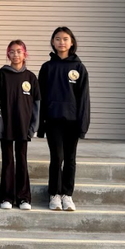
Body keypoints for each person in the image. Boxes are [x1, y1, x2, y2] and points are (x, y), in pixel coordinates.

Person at [37, 27, 90, 211]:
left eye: (65, 39)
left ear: (72, 42)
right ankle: (54, 194)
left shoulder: (79, 68)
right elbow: (40, 98)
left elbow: (84, 99)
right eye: (57, 39)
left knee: (70, 158)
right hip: (53, 121)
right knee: (56, 157)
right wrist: (40, 125)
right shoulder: (47, 67)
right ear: (52, 42)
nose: (61, 42)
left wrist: (83, 125)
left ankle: (67, 195)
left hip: (72, 122)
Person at [0, 40, 41, 210]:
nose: (15, 55)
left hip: (23, 127)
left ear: (25, 54)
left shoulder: (30, 77)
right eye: (12, 52)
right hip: (6, 127)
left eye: (19, 51)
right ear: (8, 54)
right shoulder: (1, 75)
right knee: (7, 161)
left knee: (21, 160)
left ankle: (23, 198)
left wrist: (32, 127)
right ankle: (6, 197)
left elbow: (37, 104)